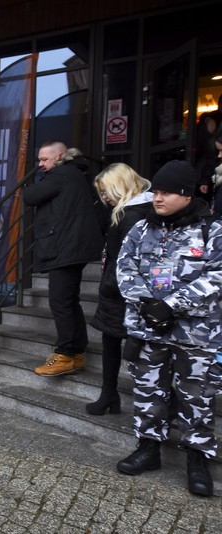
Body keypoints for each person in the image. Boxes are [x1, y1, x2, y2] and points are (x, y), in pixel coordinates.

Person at [115, 159, 221, 497]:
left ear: (187, 195)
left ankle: (197, 458)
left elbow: (217, 275)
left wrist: (172, 305)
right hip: (149, 329)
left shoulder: (212, 230)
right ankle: (148, 448)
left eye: (167, 193)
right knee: (148, 391)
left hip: (196, 334)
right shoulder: (141, 228)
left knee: (197, 396)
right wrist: (148, 304)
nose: (158, 198)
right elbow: (125, 268)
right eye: (156, 191)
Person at [22, 142, 104, 376]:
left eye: (44, 159)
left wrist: (31, 186)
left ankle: (66, 353)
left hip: (66, 247)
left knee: (60, 301)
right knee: (68, 300)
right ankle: (76, 353)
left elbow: (30, 196)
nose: (40, 164)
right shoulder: (75, 173)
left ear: (59, 156)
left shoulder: (61, 173)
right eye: (39, 160)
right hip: (73, 246)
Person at [86, 164, 152, 415]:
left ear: (120, 185)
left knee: (131, 347)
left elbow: (128, 260)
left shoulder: (133, 215)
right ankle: (109, 395)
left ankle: (120, 398)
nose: (104, 197)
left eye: (106, 191)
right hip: (118, 290)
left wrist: (110, 285)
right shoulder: (128, 211)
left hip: (123, 292)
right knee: (112, 342)